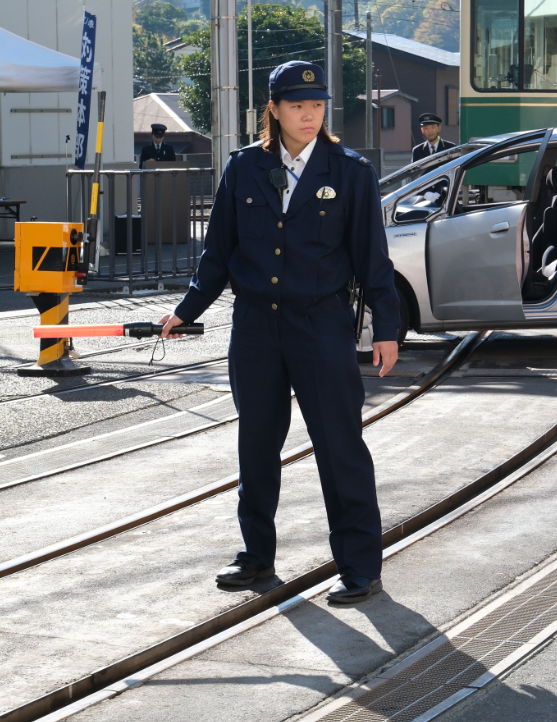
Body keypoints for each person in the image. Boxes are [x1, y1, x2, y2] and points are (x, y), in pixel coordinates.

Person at [158, 60, 400, 605]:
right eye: (297, 106)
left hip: (322, 325)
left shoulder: (349, 171)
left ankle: (360, 566)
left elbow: (372, 259)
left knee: (340, 446)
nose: (309, 115)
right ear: (273, 109)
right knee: (257, 445)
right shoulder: (243, 168)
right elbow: (218, 251)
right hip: (257, 328)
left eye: (316, 106)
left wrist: (386, 327)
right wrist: (188, 309)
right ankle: (256, 557)